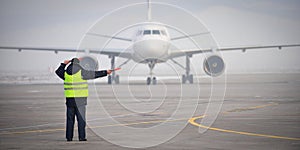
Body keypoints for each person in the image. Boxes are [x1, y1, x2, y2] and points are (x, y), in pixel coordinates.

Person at [55, 58, 112, 141]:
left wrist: (63, 64)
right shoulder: (82, 72)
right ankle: (82, 137)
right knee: (81, 120)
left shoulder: (65, 74)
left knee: (70, 120)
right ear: (79, 64)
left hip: (70, 101)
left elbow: (58, 71)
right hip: (80, 101)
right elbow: (94, 74)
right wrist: (106, 72)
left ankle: (69, 137)